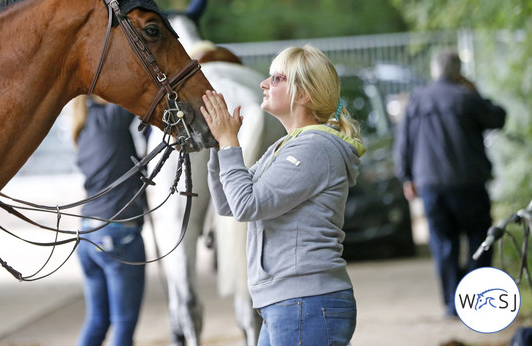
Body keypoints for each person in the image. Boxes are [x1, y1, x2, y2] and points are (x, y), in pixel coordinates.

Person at [200, 44, 364, 346]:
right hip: (291, 303)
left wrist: (229, 144)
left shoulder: (315, 148)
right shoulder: (284, 147)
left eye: (276, 78)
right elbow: (228, 204)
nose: (263, 83)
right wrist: (217, 146)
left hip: (306, 302)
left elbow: (248, 205)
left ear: (303, 95)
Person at [394, 49, 506, 317]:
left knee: (444, 244)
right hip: (469, 185)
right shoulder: (466, 98)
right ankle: (477, 301)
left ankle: (452, 305)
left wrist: (407, 177)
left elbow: (404, 142)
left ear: (434, 71)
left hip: (430, 186)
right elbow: (498, 118)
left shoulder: (417, 100)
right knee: (480, 240)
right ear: (458, 72)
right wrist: (475, 91)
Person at [70, 95, 147, 346]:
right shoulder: (112, 119)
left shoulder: (81, 129)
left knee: (97, 319)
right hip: (119, 234)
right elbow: (141, 92)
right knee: (123, 323)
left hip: (87, 235)